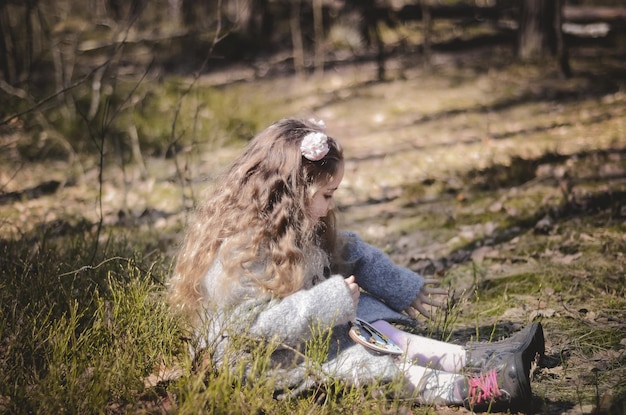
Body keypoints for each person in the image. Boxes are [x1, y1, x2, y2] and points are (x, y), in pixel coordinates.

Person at [168, 118, 545, 412]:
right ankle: (479, 389)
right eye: (326, 195)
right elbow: (251, 330)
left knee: (374, 325)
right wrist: (327, 302)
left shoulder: (297, 225)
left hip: (305, 334)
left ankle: (477, 358)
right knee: (368, 362)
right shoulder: (243, 253)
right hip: (260, 361)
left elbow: (350, 251)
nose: (330, 205)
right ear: (292, 191)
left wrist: (398, 284)